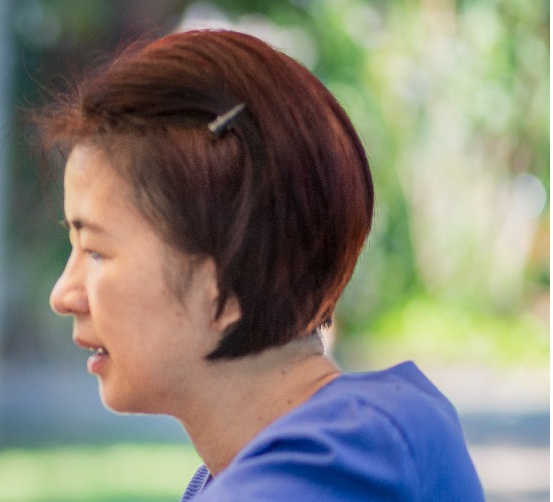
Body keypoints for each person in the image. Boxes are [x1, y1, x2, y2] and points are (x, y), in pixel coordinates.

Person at [39, 29, 484, 500]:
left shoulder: (331, 470)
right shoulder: (367, 439)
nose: (63, 294)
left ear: (227, 283)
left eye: (95, 251)